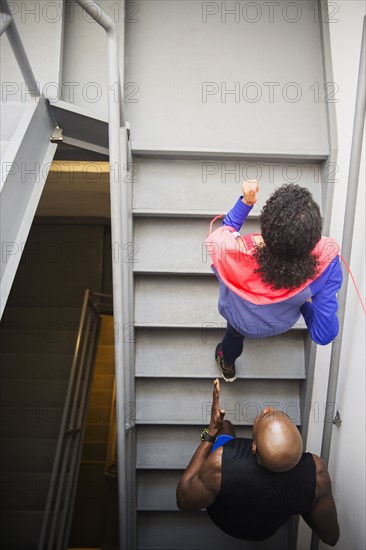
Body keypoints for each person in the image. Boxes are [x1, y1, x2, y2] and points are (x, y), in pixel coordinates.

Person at [205, 181, 343, 382]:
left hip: (239, 318)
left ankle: (227, 366)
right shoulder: (327, 267)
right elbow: (324, 334)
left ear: (266, 229)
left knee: (233, 338)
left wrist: (246, 202)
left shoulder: (235, 254)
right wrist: (304, 304)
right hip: (278, 323)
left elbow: (226, 230)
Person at [176, 379, 340, 545]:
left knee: (224, 427)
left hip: (224, 521)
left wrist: (211, 431)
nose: (266, 409)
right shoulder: (316, 476)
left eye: (263, 416)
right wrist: (304, 502)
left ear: (253, 446)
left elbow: (183, 500)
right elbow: (330, 537)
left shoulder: (221, 463)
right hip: (264, 531)